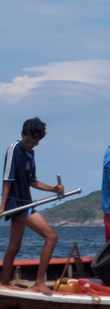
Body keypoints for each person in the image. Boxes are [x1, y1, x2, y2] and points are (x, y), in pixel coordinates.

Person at [0, 117, 64, 294]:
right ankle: (38, 282)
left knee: (14, 247)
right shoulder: (14, 148)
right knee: (51, 237)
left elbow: (32, 181)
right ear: (23, 135)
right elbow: (7, 179)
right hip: (17, 205)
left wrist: (53, 188)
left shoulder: (31, 153)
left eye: (35, 142)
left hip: (25, 202)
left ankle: (4, 285)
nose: (31, 145)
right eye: (28, 141)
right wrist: (2, 204)